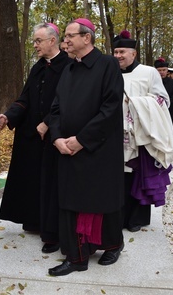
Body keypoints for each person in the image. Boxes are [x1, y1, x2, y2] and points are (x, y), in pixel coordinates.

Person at [47, 18, 125, 276]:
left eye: (69, 36)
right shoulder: (68, 69)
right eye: (65, 36)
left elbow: (110, 108)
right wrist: (57, 137)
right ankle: (77, 256)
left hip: (98, 148)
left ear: (86, 38)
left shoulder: (108, 65)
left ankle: (112, 245)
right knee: (72, 202)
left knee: (101, 200)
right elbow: (55, 108)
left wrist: (82, 140)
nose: (64, 41)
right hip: (67, 148)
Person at [0, 22, 72, 254]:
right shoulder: (37, 67)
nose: (35, 45)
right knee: (32, 177)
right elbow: (25, 99)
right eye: (34, 41)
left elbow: (69, 101)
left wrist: (48, 122)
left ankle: (52, 229)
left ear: (53, 40)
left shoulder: (69, 66)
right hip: (31, 133)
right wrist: (8, 117)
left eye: (38, 41)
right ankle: (33, 220)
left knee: (51, 181)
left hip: (56, 133)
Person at [113, 30, 173, 233]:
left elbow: (162, 100)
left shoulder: (149, 72)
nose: (118, 56)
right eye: (115, 52)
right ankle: (118, 217)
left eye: (122, 52)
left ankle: (136, 219)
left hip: (141, 134)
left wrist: (134, 104)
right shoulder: (109, 71)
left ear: (134, 53)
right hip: (115, 132)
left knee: (137, 175)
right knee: (118, 177)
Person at [154, 58, 173, 146]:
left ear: (167, 71)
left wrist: (164, 103)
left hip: (171, 110)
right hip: (156, 110)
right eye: (159, 70)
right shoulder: (152, 82)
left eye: (164, 70)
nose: (162, 72)